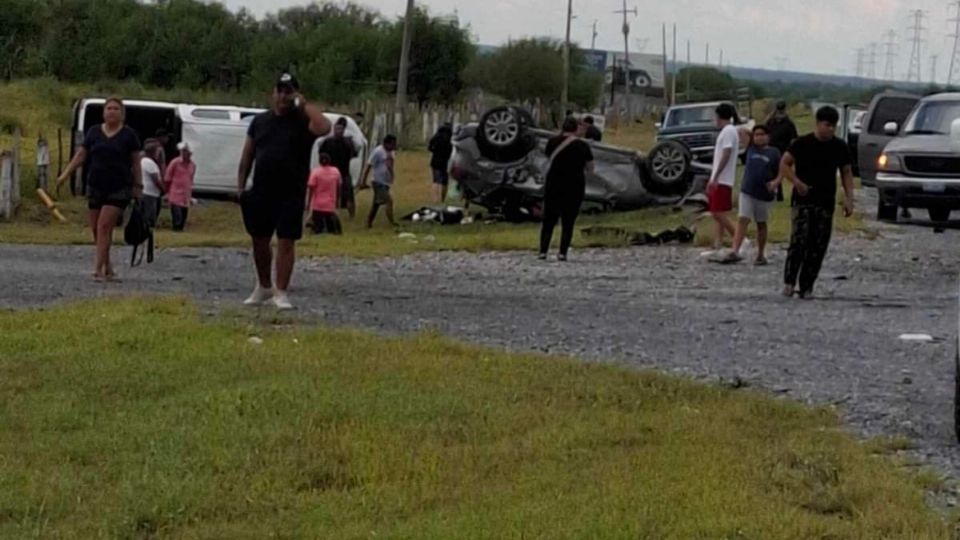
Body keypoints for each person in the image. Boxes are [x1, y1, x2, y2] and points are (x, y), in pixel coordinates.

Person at [237, 72, 332, 310]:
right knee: (259, 239)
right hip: (261, 189)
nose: (282, 96)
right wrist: (240, 186)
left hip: (290, 191)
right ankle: (264, 285)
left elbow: (324, 127)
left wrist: (303, 103)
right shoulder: (259, 122)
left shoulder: (303, 121)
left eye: (287, 91)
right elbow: (247, 154)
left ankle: (281, 290)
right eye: (279, 91)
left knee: (286, 241)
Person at [56, 96, 142, 282]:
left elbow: (136, 162)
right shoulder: (94, 132)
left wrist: (138, 185)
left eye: (116, 109)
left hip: (119, 188)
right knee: (96, 229)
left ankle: (97, 269)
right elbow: (81, 155)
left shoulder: (129, 135)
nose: (112, 112)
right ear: (104, 112)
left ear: (122, 113)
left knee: (105, 225)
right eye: (109, 108)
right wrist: (65, 174)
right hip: (95, 185)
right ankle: (108, 266)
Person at [780, 106, 855, 300]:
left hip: (825, 201)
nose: (830, 129)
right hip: (803, 200)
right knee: (799, 241)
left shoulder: (839, 146)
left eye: (833, 126)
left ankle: (807, 285)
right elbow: (784, 163)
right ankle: (789, 281)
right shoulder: (802, 143)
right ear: (818, 123)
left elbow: (846, 172)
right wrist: (795, 182)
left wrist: (849, 197)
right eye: (827, 125)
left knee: (818, 245)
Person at [539, 117, 594, 262]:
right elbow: (590, 168)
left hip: (554, 183)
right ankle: (562, 253)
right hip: (574, 185)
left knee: (549, 219)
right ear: (576, 129)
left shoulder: (552, 142)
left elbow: (547, 158)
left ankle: (543, 251)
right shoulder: (583, 146)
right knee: (568, 221)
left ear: (563, 128)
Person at [732, 125, 781, 266]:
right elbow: (741, 130)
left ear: (768, 136)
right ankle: (735, 250)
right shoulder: (751, 148)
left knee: (761, 223)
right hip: (747, 191)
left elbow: (782, 169)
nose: (759, 137)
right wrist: (751, 133)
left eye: (762, 134)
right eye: (757, 135)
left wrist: (776, 183)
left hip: (764, 194)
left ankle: (760, 254)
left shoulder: (774, 152)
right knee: (743, 219)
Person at [707, 103, 740, 253]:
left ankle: (740, 239)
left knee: (716, 212)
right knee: (719, 211)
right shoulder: (728, 131)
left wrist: (716, 176)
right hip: (721, 177)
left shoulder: (728, 131)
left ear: (719, 116)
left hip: (723, 178)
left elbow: (726, 153)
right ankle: (717, 243)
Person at [319, 117, 358, 219]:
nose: (338, 131)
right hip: (331, 172)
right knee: (333, 195)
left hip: (344, 172)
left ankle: (351, 216)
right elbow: (322, 155)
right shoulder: (328, 142)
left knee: (349, 195)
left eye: (340, 129)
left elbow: (354, 154)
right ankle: (333, 214)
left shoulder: (347, 143)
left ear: (343, 130)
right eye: (337, 129)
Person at [359, 134, 398, 228]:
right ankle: (392, 222)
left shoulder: (391, 152)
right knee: (389, 201)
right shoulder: (378, 152)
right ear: (387, 144)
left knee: (376, 203)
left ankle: (369, 222)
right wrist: (363, 181)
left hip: (386, 181)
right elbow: (368, 166)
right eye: (392, 144)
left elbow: (390, 165)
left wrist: (392, 175)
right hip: (378, 181)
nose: (394, 146)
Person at [766, 101, 798, 202]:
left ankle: (778, 195)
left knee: (779, 173)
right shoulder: (770, 122)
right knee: (772, 173)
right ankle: (774, 194)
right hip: (772, 150)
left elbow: (793, 140)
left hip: (783, 152)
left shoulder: (788, 123)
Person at [306, 153, 343, 235]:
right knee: (333, 228)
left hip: (318, 206)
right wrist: (337, 200)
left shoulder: (315, 172)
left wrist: (308, 204)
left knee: (318, 228)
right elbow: (339, 186)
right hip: (330, 204)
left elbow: (311, 188)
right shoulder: (336, 171)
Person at [165, 142, 196, 232]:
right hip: (175, 194)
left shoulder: (192, 165)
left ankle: (180, 231)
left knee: (183, 218)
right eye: (184, 152)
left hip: (185, 196)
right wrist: (167, 192)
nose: (187, 154)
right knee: (177, 218)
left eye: (188, 152)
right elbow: (167, 178)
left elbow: (190, 179)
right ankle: (175, 231)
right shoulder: (175, 162)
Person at [140, 138, 165, 229]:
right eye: (158, 152)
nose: (159, 154)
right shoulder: (149, 162)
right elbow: (156, 180)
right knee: (149, 216)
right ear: (153, 152)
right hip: (149, 194)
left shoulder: (144, 161)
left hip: (149, 193)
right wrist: (164, 190)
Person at [428, 123, 454, 203]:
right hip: (446, 162)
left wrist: (435, 151)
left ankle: (435, 199)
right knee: (444, 182)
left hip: (435, 161)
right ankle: (443, 199)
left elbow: (429, 148)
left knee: (435, 180)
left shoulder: (436, 138)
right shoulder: (450, 140)